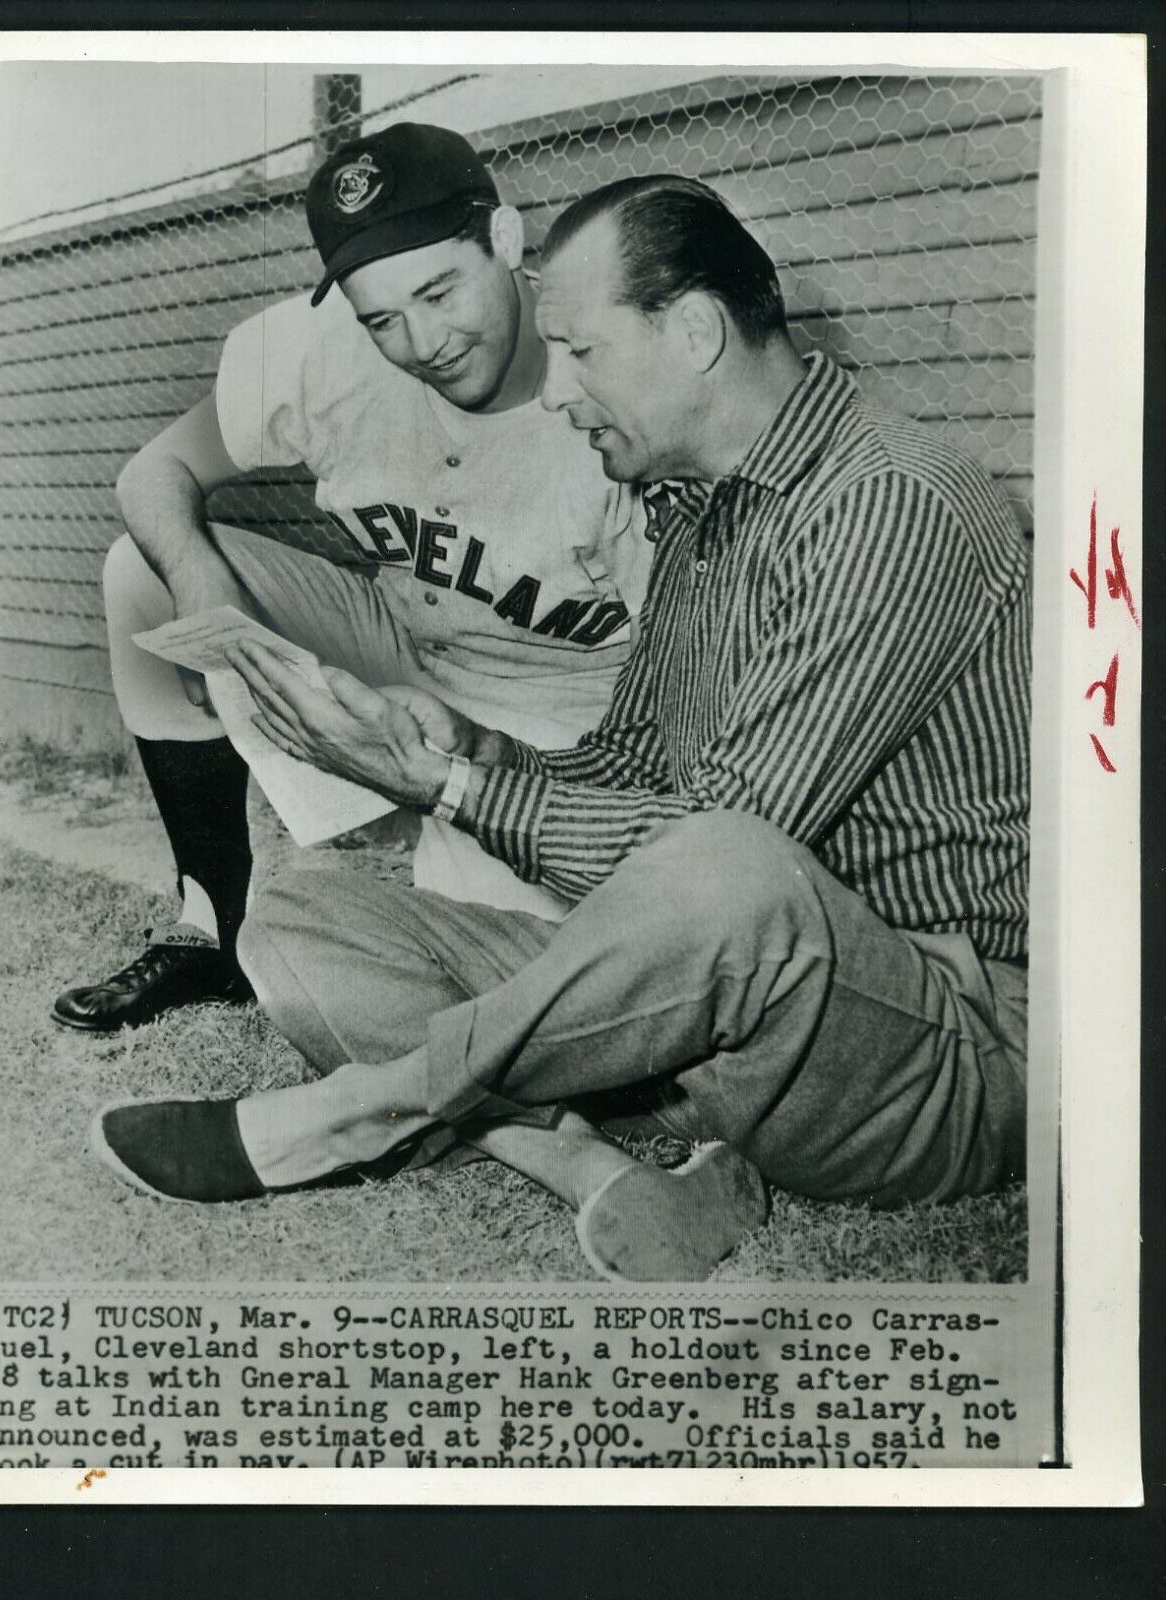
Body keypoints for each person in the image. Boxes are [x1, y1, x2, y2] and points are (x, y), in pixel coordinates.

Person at [91, 175, 1031, 1284]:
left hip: (921, 1042)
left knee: (726, 860)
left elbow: (720, 856)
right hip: (706, 1017)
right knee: (301, 920)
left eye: (580, 351)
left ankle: (368, 1110)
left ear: (690, 332)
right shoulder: (701, 510)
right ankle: (581, 1162)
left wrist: (451, 795)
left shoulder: (896, 504)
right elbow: (625, 764)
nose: (560, 392)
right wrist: (463, 753)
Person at [52, 121, 652, 1032]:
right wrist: (205, 591)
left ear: (503, 238)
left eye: (440, 292)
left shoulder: (612, 385)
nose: (421, 341)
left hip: (562, 712)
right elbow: (152, 475)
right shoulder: (320, 347)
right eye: (381, 318)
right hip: (399, 641)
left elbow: (686, 688)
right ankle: (209, 931)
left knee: (515, 987)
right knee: (142, 569)